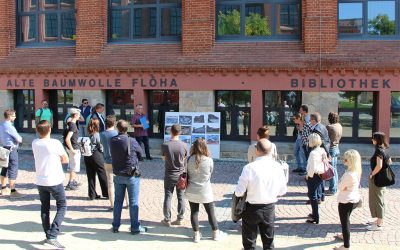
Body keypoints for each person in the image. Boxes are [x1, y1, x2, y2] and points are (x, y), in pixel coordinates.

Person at [235, 138, 287, 250]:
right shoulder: (277, 167)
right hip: (269, 207)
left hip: (251, 208)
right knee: (269, 243)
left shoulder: (249, 168)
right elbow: (283, 191)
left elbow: (239, 191)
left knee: (249, 243)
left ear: (257, 150)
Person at [32, 120, 69, 249]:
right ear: (50, 130)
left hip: (40, 180)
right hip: (54, 179)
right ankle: (53, 234)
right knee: (62, 205)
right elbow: (65, 159)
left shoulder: (35, 143)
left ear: (37, 131)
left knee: (45, 208)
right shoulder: (55, 143)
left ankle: (48, 234)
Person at [109, 119, 147, 235]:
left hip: (118, 174)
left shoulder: (113, 140)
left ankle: (115, 226)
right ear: (127, 129)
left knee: (118, 201)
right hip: (131, 175)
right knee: (133, 202)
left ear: (117, 128)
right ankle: (135, 227)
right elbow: (141, 153)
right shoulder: (131, 140)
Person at [185, 138, 227, 243]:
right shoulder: (209, 160)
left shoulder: (189, 159)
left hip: (192, 189)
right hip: (205, 190)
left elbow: (187, 173)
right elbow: (210, 173)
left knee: (194, 212)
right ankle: (216, 233)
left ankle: (196, 235)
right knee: (210, 212)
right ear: (205, 147)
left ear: (193, 147)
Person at [334, 149, 362, 250]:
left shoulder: (348, 174)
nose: (343, 160)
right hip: (353, 199)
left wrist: (342, 186)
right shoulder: (355, 171)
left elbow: (340, 186)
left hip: (346, 201)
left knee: (344, 222)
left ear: (350, 161)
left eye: (345, 159)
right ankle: (344, 236)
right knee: (347, 220)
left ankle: (346, 246)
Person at [160, 124, 188, 227]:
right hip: (180, 175)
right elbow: (185, 159)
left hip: (169, 174)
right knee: (181, 197)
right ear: (180, 132)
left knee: (168, 196)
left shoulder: (165, 145)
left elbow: (163, 158)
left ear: (171, 131)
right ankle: (180, 218)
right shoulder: (184, 145)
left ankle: (167, 219)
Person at [100, 115, 128, 210]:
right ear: (114, 123)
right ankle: (127, 203)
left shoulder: (102, 134)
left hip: (107, 160)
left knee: (110, 183)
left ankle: (112, 205)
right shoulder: (116, 133)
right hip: (118, 160)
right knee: (123, 182)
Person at [367, 132, 390, 231]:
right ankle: (379, 220)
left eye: (373, 138)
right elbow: (389, 162)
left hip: (377, 179)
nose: (372, 140)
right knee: (380, 199)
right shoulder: (384, 149)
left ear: (377, 140)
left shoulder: (379, 151)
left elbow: (379, 165)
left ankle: (378, 225)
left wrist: (372, 174)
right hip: (382, 179)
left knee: (378, 200)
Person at [0, 109, 24, 198]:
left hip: (3, 148)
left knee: (4, 168)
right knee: (13, 169)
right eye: (14, 115)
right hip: (11, 149)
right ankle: (13, 191)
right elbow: (19, 139)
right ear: (9, 116)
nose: (15, 117)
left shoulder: (1, 125)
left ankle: (3, 188)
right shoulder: (10, 126)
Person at [84, 118, 108, 200]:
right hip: (96, 155)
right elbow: (100, 146)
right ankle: (107, 193)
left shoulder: (88, 133)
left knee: (90, 175)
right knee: (102, 173)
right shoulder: (97, 134)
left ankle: (92, 194)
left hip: (87, 155)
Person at [309, 112, 331, 202]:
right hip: (322, 153)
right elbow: (328, 140)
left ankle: (317, 197)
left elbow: (322, 143)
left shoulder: (317, 129)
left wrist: (326, 154)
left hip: (319, 154)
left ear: (314, 120)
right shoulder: (323, 126)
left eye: (310, 120)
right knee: (321, 176)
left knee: (317, 176)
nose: (310, 121)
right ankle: (321, 195)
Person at [305, 133, 325, 224]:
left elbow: (312, 168)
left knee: (312, 195)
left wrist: (308, 176)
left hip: (314, 175)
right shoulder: (322, 150)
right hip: (320, 175)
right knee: (315, 195)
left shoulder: (313, 153)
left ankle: (315, 217)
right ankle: (314, 214)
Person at [64, 108, 81, 191]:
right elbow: (67, 139)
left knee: (73, 165)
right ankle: (70, 183)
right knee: (73, 167)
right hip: (73, 147)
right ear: (76, 115)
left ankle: (73, 181)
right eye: (78, 114)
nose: (79, 116)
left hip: (71, 147)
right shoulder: (73, 125)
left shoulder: (70, 123)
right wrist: (72, 149)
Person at [326, 112, 343, 195]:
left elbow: (325, 137)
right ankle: (335, 188)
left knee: (331, 170)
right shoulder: (339, 125)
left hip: (331, 148)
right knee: (334, 169)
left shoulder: (330, 127)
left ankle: (332, 189)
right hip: (336, 147)